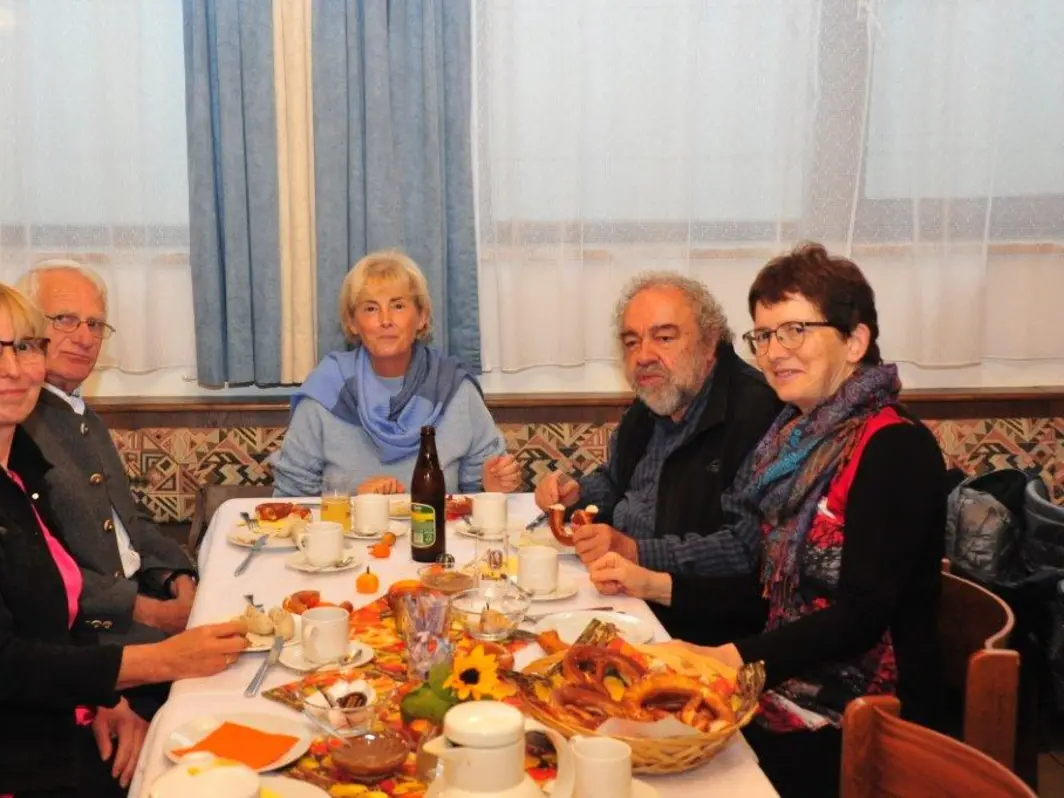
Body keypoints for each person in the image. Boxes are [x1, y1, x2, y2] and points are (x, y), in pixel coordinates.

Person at [0, 278, 248, 797]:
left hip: (47, 719)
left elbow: (52, 619)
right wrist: (164, 660)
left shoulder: (18, 470)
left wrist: (107, 701)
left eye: (25, 346)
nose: (11, 367)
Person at [589, 243, 946, 798]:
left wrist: (730, 659)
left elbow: (859, 618)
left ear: (855, 341)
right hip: (785, 682)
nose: (775, 352)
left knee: (648, 762)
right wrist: (654, 584)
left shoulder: (894, 446)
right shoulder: (794, 439)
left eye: (795, 331)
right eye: (764, 335)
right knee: (610, 721)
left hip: (862, 718)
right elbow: (764, 585)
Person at [532, 273, 782, 643]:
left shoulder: (756, 413)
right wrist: (577, 493)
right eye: (631, 342)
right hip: (624, 598)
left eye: (664, 338)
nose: (644, 356)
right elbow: (614, 481)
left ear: (710, 341)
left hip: (698, 629)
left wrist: (636, 551)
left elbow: (745, 548)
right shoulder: (649, 405)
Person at [17, 262, 197, 648]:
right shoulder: (13, 428)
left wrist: (177, 575)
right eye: (65, 320)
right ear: (24, 329)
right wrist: (147, 612)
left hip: (143, 596)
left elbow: (128, 521)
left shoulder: (84, 416)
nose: (85, 338)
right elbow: (35, 566)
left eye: (95, 324)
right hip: (84, 633)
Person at [270, 250, 519, 497]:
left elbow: (479, 491)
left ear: (422, 317)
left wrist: (493, 486)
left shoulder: (455, 389)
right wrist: (353, 503)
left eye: (398, 306)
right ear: (352, 323)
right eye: (371, 308)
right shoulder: (325, 391)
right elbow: (290, 499)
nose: (385, 320)